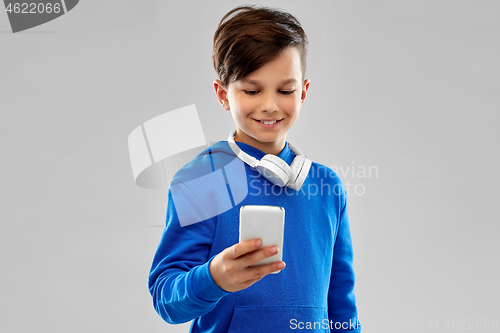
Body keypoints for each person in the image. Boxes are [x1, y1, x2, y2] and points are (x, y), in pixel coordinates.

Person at [148, 5, 361, 332]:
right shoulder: (203, 180)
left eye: (285, 90)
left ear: (303, 92)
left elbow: (341, 302)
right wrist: (214, 278)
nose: (270, 105)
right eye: (252, 90)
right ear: (223, 94)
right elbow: (166, 298)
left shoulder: (327, 186)